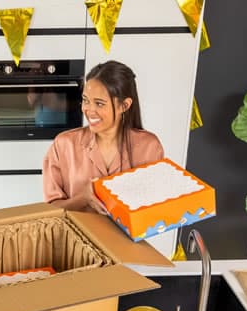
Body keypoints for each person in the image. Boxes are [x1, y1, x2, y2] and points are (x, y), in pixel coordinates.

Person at [42, 60, 164, 214]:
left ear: (124, 105)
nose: (89, 110)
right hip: (76, 230)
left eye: (99, 104)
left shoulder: (149, 147)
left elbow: (156, 209)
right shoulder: (64, 145)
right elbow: (49, 210)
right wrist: (83, 198)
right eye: (85, 100)